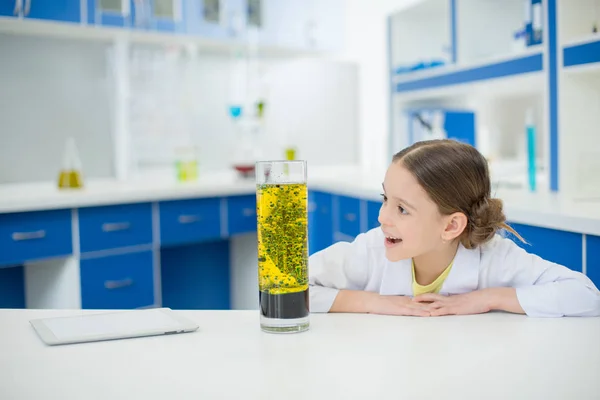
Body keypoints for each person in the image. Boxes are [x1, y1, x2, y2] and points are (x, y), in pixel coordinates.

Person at [308, 139, 600, 318]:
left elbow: (585, 294)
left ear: (451, 226)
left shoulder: (495, 257)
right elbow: (285, 288)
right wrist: (373, 302)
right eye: (385, 199)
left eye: (402, 209)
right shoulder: (370, 251)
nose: (382, 217)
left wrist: (484, 299)